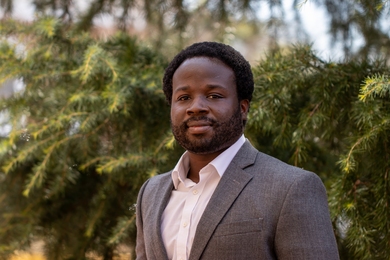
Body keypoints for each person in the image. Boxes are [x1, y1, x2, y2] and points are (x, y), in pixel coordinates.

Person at [135, 41, 339, 260]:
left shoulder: (291, 188)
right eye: (184, 98)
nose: (195, 107)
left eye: (213, 95)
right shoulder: (151, 192)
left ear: (243, 108)